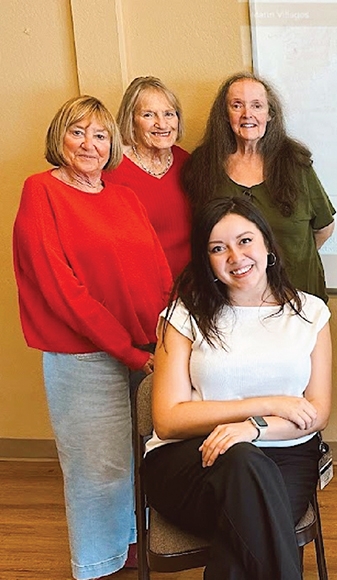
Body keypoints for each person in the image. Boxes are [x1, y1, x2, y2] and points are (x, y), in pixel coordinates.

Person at [12, 95, 172, 579]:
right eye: (77, 132)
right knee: (97, 471)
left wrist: (167, 337)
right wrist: (128, 349)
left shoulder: (123, 196)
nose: (90, 144)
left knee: (138, 461)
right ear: (58, 138)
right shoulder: (40, 191)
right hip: (84, 356)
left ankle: (130, 547)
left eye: (100, 135)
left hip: (146, 351)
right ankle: (99, 564)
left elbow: (158, 273)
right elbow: (63, 292)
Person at [140, 196, 332, 579]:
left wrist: (253, 429)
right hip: (191, 460)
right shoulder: (183, 314)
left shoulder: (310, 313)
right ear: (206, 259)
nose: (235, 256)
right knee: (243, 465)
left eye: (245, 241)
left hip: (286, 457)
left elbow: (316, 412)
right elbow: (168, 420)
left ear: (266, 245)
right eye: (217, 248)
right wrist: (268, 405)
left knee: (242, 533)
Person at [182, 72, 336, 301]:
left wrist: (286, 260)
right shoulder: (203, 166)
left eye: (257, 106)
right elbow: (200, 236)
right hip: (230, 304)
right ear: (224, 115)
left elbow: (324, 227)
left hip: (298, 298)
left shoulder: (296, 163)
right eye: (237, 106)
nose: (248, 114)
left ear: (270, 114)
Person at [103, 76, 192, 277]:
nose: (162, 124)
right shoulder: (111, 171)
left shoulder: (189, 164)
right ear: (131, 120)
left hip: (194, 285)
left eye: (169, 114)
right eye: (149, 115)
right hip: (142, 286)